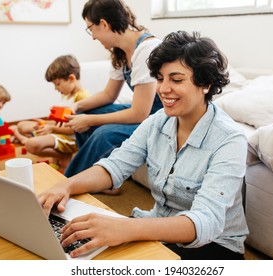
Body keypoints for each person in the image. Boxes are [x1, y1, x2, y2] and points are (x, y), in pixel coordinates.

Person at [38, 31, 249, 260]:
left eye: (176, 80)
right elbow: (115, 166)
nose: (163, 89)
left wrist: (124, 228)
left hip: (213, 246)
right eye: (160, 78)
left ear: (205, 84)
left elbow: (205, 222)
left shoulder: (229, 140)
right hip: (157, 229)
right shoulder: (158, 121)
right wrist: (66, 185)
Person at [63, 0, 163, 179]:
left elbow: (140, 113)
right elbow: (109, 94)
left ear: (104, 24)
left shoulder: (146, 49)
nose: (92, 36)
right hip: (145, 112)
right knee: (89, 111)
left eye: (90, 28)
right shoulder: (121, 52)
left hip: (162, 116)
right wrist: (78, 108)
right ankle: (96, 176)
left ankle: (70, 182)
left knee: (104, 133)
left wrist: (91, 120)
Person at [17, 55, 91, 172]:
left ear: (71, 79)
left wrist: (51, 128)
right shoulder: (66, 94)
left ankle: (62, 156)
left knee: (30, 144)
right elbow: (63, 120)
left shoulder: (82, 98)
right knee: (21, 125)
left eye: (57, 84)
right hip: (59, 130)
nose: (55, 89)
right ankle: (59, 155)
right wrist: (46, 123)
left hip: (72, 138)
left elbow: (75, 129)